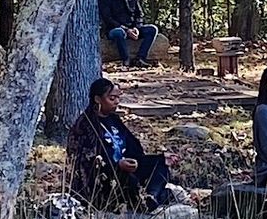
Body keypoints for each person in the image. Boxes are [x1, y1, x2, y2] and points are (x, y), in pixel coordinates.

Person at [66, 77, 183, 211]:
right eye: (111, 98)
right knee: (129, 179)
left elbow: (134, 150)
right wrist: (116, 165)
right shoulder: (85, 125)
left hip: (125, 167)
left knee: (161, 165)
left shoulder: (114, 120)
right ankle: (146, 200)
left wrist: (159, 158)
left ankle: (151, 197)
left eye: (117, 98)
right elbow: (85, 162)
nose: (116, 102)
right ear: (97, 99)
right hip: (104, 178)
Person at [99, 0, 158, 67]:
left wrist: (136, 28)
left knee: (152, 29)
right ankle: (126, 60)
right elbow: (108, 19)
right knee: (119, 32)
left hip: (132, 28)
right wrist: (126, 30)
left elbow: (139, 14)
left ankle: (140, 58)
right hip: (115, 29)